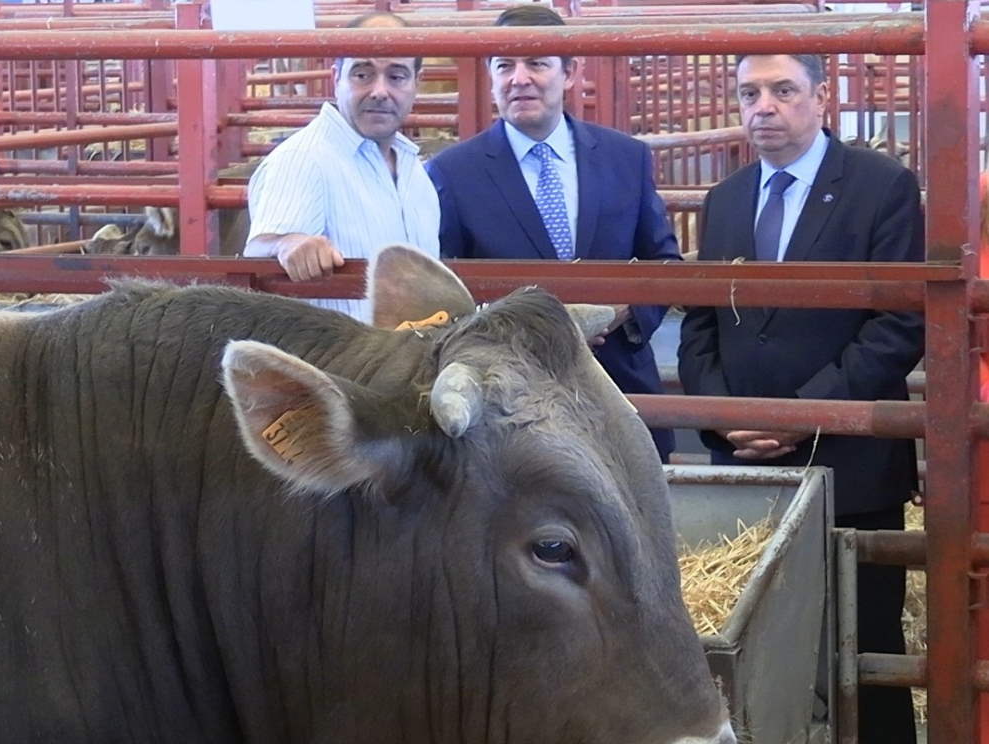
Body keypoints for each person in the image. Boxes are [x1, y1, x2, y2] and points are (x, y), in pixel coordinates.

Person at [677, 53, 922, 744]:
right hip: (748, 467)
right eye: (750, 92)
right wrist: (727, 420)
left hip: (850, 462)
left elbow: (901, 323)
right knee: (757, 644)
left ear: (822, 100)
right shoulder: (725, 199)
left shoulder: (882, 187)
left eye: (783, 91)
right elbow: (699, 325)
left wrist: (803, 415)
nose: (764, 107)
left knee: (864, 646)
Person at [425, 4, 681, 462]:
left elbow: (664, 262)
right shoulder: (452, 173)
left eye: (537, 63)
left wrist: (623, 311)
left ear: (570, 73)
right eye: (504, 65)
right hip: (510, 406)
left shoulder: (627, 158)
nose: (519, 78)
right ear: (490, 76)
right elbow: (445, 293)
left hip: (620, 388)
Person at [244, 11, 440, 321]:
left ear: (417, 82)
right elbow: (261, 252)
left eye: (397, 75)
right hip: (342, 365)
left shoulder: (415, 170)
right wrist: (286, 243)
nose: (379, 90)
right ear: (336, 78)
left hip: (411, 360)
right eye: (362, 74)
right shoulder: (303, 158)